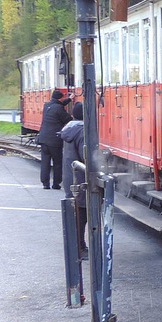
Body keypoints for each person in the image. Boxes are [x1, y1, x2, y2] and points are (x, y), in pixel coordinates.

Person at [60, 101, 88, 256]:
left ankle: (78, 246)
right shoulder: (83, 131)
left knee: (77, 214)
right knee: (82, 215)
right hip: (81, 179)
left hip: (70, 177)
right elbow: (86, 156)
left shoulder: (69, 128)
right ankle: (80, 248)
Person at [36, 88, 72, 189]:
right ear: (60, 99)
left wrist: (69, 99)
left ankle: (45, 184)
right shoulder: (59, 109)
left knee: (45, 162)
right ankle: (56, 184)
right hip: (54, 141)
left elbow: (58, 105)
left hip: (43, 139)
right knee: (57, 163)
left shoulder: (47, 105)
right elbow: (68, 119)